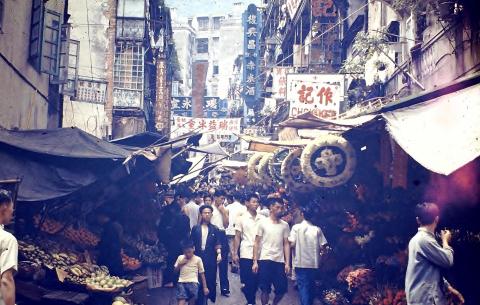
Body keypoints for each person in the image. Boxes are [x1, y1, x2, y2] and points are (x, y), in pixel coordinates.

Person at [405, 202, 464, 305]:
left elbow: (430, 271)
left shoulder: (418, 239)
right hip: (425, 300)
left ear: (418, 220)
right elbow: (448, 261)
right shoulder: (424, 240)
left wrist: (448, 287)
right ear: (437, 219)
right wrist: (445, 241)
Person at [253, 197, 291, 305]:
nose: (280, 210)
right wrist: (255, 261)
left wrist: (287, 263)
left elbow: (286, 244)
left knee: (282, 289)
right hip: (265, 259)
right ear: (271, 208)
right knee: (265, 289)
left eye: (281, 208)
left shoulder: (285, 225)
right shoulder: (263, 223)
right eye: (277, 207)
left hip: (279, 261)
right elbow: (256, 242)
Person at [289, 206, 328, 305]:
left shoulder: (296, 228)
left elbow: (292, 243)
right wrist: (321, 258)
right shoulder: (317, 229)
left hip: (301, 263)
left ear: (302, 215)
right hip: (314, 263)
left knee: (303, 288)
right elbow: (324, 246)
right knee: (310, 287)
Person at [233, 193, 265, 305]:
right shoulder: (241, 219)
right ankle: (251, 301)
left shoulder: (263, 218)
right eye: (253, 201)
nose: (256, 204)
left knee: (257, 280)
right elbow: (237, 236)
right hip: (246, 252)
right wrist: (234, 253)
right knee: (247, 279)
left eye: (257, 202)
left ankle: (251, 301)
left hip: (261, 253)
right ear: (247, 203)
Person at [190, 205, 222, 305]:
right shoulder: (196, 228)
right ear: (201, 214)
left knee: (209, 279)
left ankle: (205, 300)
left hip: (210, 258)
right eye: (205, 212)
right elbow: (191, 243)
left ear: (212, 214)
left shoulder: (215, 229)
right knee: (197, 279)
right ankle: (197, 300)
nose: (207, 214)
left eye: (209, 212)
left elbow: (217, 243)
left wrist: (219, 253)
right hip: (197, 257)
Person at [159, 191, 191, 288]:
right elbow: (187, 231)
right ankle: (178, 280)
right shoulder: (185, 218)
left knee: (172, 261)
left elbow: (164, 230)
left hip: (172, 242)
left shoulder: (170, 217)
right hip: (180, 242)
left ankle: (172, 281)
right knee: (179, 261)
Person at [174, 240, 209, 305]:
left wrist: (205, 287)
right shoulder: (180, 258)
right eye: (185, 252)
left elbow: (202, 274)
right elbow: (175, 272)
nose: (188, 254)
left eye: (189, 252)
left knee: (192, 301)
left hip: (193, 283)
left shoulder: (198, 259)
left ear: (194, 248)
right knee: (181, 301)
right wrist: (180, 264)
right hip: (182, 282)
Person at [211, 190, 230, 296]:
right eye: (221, 198)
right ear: (215, 197)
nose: (222, 201)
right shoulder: (209, 209)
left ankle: (225, 288)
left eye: (224, 199)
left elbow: (226, 224)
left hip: (222, 235)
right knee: (211, 263)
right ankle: (211, 286)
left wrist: (223, 212)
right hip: (212, 234)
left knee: (223, 263)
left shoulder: (224, 209)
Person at [0, 190, 17, 305]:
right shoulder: (7, 239)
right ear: (4, 207)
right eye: (12, 207)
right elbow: (6, 281)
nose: (12, 211)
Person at [96, 209, 123, 276]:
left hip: (110, 262)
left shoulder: (109, 228)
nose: (97, 219)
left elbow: (107, 245)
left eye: (98, 217)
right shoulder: (111, 226)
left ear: (102, 216)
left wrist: (100, 260)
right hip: (114, 261)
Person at [225, 193, 246, 272]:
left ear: (233, 198)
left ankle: (234, 263)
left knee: (231, 247)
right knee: (238, 246)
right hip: (239, 229)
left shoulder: (228, 207)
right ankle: (237, 262)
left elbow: (226, 217)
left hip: (230, 229)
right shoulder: (244, 208)